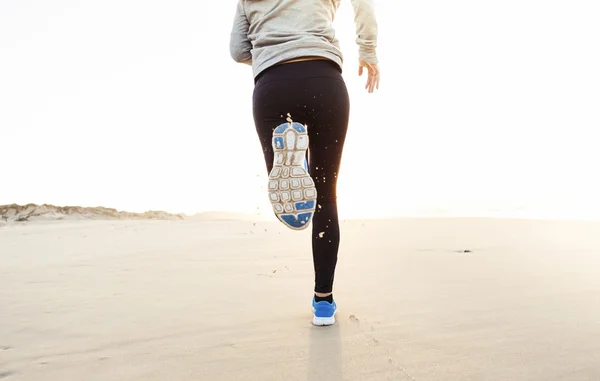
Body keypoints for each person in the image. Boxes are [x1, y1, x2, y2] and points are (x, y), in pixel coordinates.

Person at [229, 0, 380, 326]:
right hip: (324, 80)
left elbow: (237, 49)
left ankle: (287, 158)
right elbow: (363, 4)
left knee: (287, 186)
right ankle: (323, 303)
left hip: (272, 86)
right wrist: (368, 51)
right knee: (326, 196)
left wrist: (274, 52)